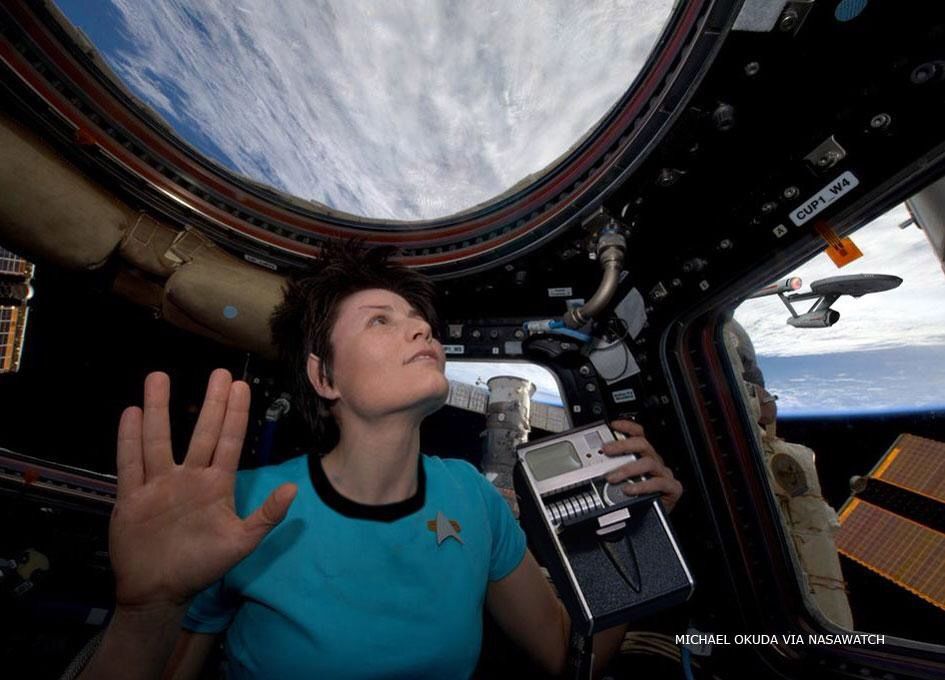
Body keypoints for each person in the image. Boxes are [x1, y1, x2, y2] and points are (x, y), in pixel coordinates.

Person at [79, 244, 683, 679]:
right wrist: (145, 615)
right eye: (380, 321)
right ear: (325, 376)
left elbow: (567, 658)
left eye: (420, 322)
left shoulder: (473, 497)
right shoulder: (239, 505)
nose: (421, 331)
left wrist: (639, 542)